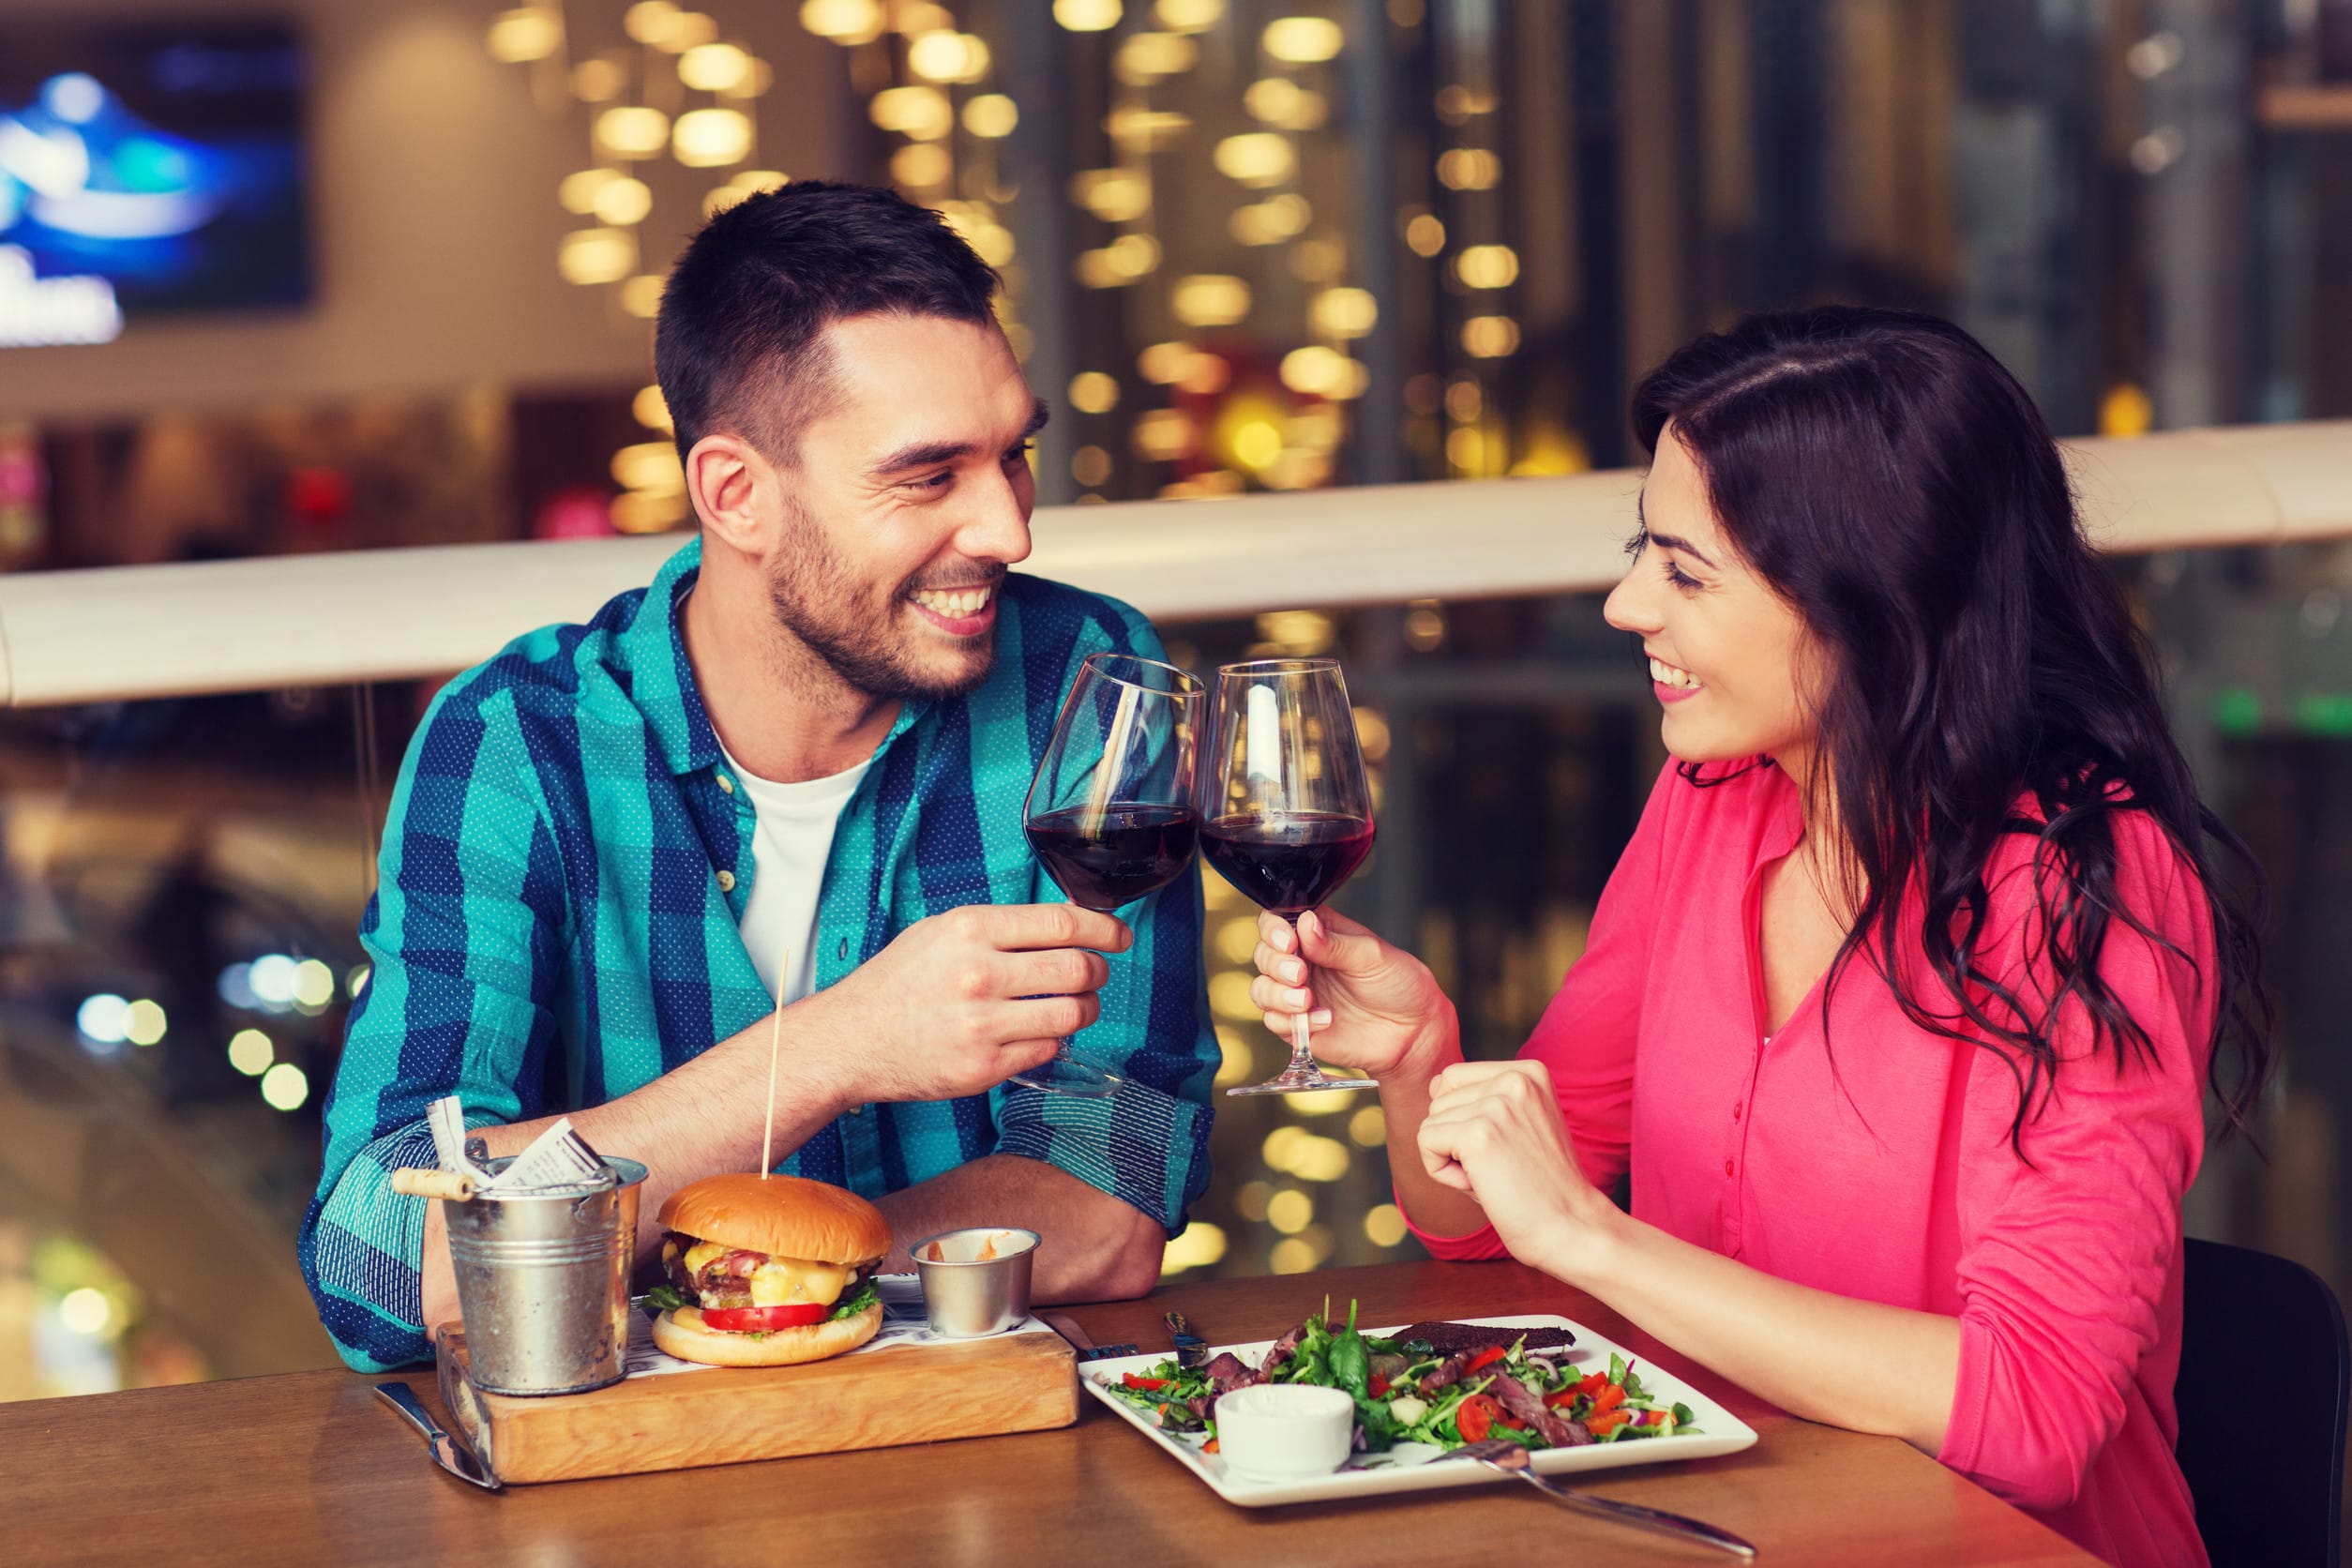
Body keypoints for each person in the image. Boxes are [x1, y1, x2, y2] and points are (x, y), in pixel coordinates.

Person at [1253, 308, 2266, 1567]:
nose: (1629, 605)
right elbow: (1479, 1231)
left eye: (1685, 571)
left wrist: (1594, 1236)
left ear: (1873, 607)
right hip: (1709, 1530)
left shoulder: (2083, 892)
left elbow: (2035, 1413)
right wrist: (1422, 1066)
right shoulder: (1712, 802)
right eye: (1644, 551)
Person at [301, 181, 1219, 1371]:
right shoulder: (516, 744)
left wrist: (759, 1283)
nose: (1008, 529)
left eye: (1014, 455)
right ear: (737, 494)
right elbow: (381, 1262)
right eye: (929, 475)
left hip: (975, 1455)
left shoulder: (1085, 684)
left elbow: (1107, 1207)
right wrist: (834, 1047)